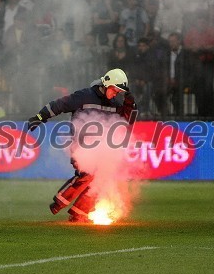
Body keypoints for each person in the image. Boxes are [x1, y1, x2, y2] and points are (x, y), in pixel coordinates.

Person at [26, 68, 137, 222]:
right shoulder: (84, 96)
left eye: (118, 92)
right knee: (88, 174)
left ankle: (79, 214)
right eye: (114, 90)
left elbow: (125, 123)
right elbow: (59, 105)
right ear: (106, 84)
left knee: (101, 177)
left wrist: (130, 106)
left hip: (100, 147)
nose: (115, 94)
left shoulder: (116, 103)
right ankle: (59, 201)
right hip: (79, 146)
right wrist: (39, 117)